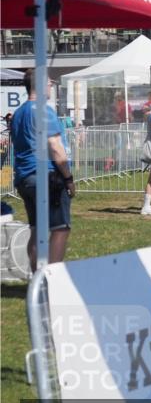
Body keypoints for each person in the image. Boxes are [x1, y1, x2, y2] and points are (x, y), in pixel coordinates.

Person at [10, 74, 76, 269]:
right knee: (60, 228)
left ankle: (37, 280)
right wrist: (69, 178)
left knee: (37, 230)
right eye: (49, 83)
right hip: (46, 177)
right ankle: (50, 281)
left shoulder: (19, 112)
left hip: (24, 177)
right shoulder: (43, 111)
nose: (50, 87)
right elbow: (55, 147)